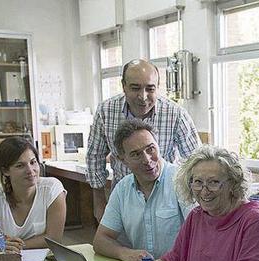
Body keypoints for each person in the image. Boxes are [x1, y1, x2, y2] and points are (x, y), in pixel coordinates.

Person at [95, 145, 259, 261]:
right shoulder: (198, 215)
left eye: (214, 182)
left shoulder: (254, 221)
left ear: (233, 183)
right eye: (197, 182)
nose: (204, 191)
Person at [85, 59, 200, 222]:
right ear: (123, 86)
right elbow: (94, 157)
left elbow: (195, 161)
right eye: (135, 88)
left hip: (166, 198)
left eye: (150, 89)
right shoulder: (106, 111)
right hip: (123, 198)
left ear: (157, 87)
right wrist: (99, 203)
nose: (143, 96)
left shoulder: (175, 114)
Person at [92, 120, 192, 261]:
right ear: (123, 160)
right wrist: (124, 253)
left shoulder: (182, 181)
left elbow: (200, 240)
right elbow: (100, 240)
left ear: (159, 146)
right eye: (136, 154)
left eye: (150, 149)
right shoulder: (122, 189)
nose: (147, 159)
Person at [0, 137, 66, 254]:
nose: (30, 170)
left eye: (33, 162)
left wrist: (8, 246)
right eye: (20, 166)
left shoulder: (52, 189)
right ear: (5, 171)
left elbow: (54, 239)